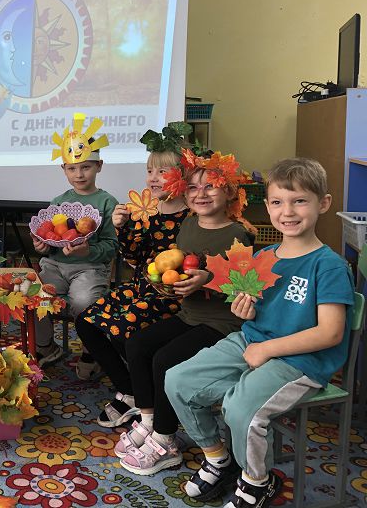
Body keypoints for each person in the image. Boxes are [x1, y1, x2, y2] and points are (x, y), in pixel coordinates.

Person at [165, 158, 354, 508]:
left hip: (300, 360)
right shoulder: (263, 256)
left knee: (240, 408)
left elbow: (330, 333)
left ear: (323, 203)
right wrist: (246, 310)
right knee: (178, 380)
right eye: (278, 202)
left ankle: (256, 482)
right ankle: (218, 458)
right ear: (267, 206)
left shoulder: (328, 265)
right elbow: (252, 308)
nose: (288, 211)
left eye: (300, 201)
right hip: (251, 341)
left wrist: (267, 350)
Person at [113, 148, 254, 476]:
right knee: (137, 344)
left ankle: (166, 440)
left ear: (229, 192)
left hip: (223, 323)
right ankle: (149, 420)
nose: (200, 194)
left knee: (165, 359)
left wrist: (208, 280)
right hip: (189, 315)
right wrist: (169, 279)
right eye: (192, 187)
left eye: (210, 186)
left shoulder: (238, 234)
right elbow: (178, 267)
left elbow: (247, 286)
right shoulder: (188, 225)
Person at [76, 125, 190, 425]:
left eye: (163, 171)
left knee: (120, 327)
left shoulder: (192, 216)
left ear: (183, 175)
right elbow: (133, 257)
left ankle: (142, 395)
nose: (153, 178)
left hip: (170, 296)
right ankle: (129, 390)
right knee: (86, 322)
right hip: (139, 288)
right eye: (150, 171)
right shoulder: (145, 210)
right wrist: (122, 227)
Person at [32, 117, 118, 366]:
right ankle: (46, 347)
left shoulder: (107, 202)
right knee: (35, 296)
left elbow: (112, 246)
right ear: (64, 169)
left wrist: (87, 251)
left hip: (90, 268)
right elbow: (49, 239)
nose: (79, 174)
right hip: (55, 266)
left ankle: (93, 349)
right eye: (72, 168)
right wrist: (42, 246)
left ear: (99, 166)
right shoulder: (58, 202)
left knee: (83, 301)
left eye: (86, 167)